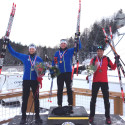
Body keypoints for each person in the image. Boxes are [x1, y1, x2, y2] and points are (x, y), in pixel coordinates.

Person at [6, 39, 43, 124]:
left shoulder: (39, 59)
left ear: (35, 49)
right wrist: (8, 45)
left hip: (34, 81)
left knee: (36, 99)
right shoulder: (25, 57)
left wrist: (41, 76)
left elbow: (42, 71)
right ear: (28, 50)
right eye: (30, 49)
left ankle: (37, 117)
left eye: (33, 49)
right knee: (25, 99)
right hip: (26, 80)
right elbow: (14, 53)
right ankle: (23, 118)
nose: (31, 50)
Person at [89, 46, 117, 124]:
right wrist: (88, 75)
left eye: (101, 51)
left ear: (103, 52)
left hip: (104, 82)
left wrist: (116, 60)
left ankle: (107, 116)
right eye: (98, 51)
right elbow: (90, 71)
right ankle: (91, 115)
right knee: (93, 99)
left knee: (106, 100)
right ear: (97, 52)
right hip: (95, 82)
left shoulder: (106, 59)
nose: (99, 52)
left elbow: (114, 67)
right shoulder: (94, 59)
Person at [52, 39, 82, 110]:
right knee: (60, 90)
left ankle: (70, 104)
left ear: (66, 45)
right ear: (60, 45)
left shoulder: (70, 51)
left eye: (64, 43)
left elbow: (78, 47)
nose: (63, 45)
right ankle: (59, 105)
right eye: (62, 43)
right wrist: (53, 71)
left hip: (68, 73)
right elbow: (54, 62)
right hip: (60, 73)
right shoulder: (57, 53)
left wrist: (78, 39)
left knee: (69, 89)